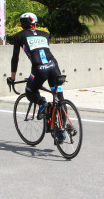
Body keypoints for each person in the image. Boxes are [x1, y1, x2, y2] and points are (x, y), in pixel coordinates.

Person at [9, 13, 66, 142]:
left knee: (30, 91)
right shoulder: (45, 34)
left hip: (39, 69)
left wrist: (12, 78)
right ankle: (62, 130)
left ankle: (42, 103)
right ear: (35, 23)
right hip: (54, 67)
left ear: (22, 24)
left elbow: (15, 58)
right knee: (59, 99)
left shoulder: (19, 36)